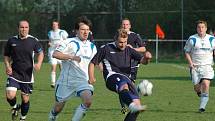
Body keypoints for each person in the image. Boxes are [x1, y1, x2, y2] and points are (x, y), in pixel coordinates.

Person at [88, 29, 152, 121]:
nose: (123, 44)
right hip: (112, 77)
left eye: (125, 42)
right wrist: (91, 77)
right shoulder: (106, 48)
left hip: (127, 79)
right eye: (121, 42)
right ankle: (131, 105)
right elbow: (93, 62)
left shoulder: (129, 49)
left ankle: (133, 106)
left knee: (137, 109)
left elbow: (143, 61)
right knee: (123, 85)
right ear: (115, 39)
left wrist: (147, 58)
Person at [48, 16, 97, 121]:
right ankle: (53, 116)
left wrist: (94, 75)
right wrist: (71, 57)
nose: (85, 32)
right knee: (58, 108)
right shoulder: (68, 42)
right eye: (83, 29)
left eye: (87, 30)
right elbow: (55, 54)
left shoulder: (92, 46)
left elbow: (94, 62)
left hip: (83, 81)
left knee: (88, 101)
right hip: (67, 81)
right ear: (76, 31)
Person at [4, 20, 44, 121]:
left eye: (26, 27)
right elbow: (6, 55)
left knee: (25, 99)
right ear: (18, 28)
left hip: (27, 75)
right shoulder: (11, 40)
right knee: (10, 95)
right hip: (14, 73)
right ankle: (15, 106)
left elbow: (41, 53)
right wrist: (8, 66)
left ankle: (23, 118)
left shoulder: (33, 40)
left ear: (28, 28)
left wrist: (39, 63)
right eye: (22, 27)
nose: (24, 29)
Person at [184, 20, 215, 113]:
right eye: (199, 27)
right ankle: (199, 92)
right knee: (197, 87)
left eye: (202, 27)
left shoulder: (212, 39)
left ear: (206, 28)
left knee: (206, 84)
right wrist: (190, 63)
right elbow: (187, 51)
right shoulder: (192, 39)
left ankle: (202, 107)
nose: (200, 29)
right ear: (196, 29)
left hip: (207, 66)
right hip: (195, 67)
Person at [48, 20, 68, 88]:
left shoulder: (62, 32)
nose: (54, 26)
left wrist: (60, 45)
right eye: (53, 24)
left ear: (58, 25)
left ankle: (64, 82)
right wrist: (50, 44)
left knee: (61, 68)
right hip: (52, 51)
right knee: (53, 67)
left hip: (60, 52)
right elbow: (50, 41)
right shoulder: (50, 32)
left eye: (55, 24)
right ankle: (53, 83)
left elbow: (66, 41)